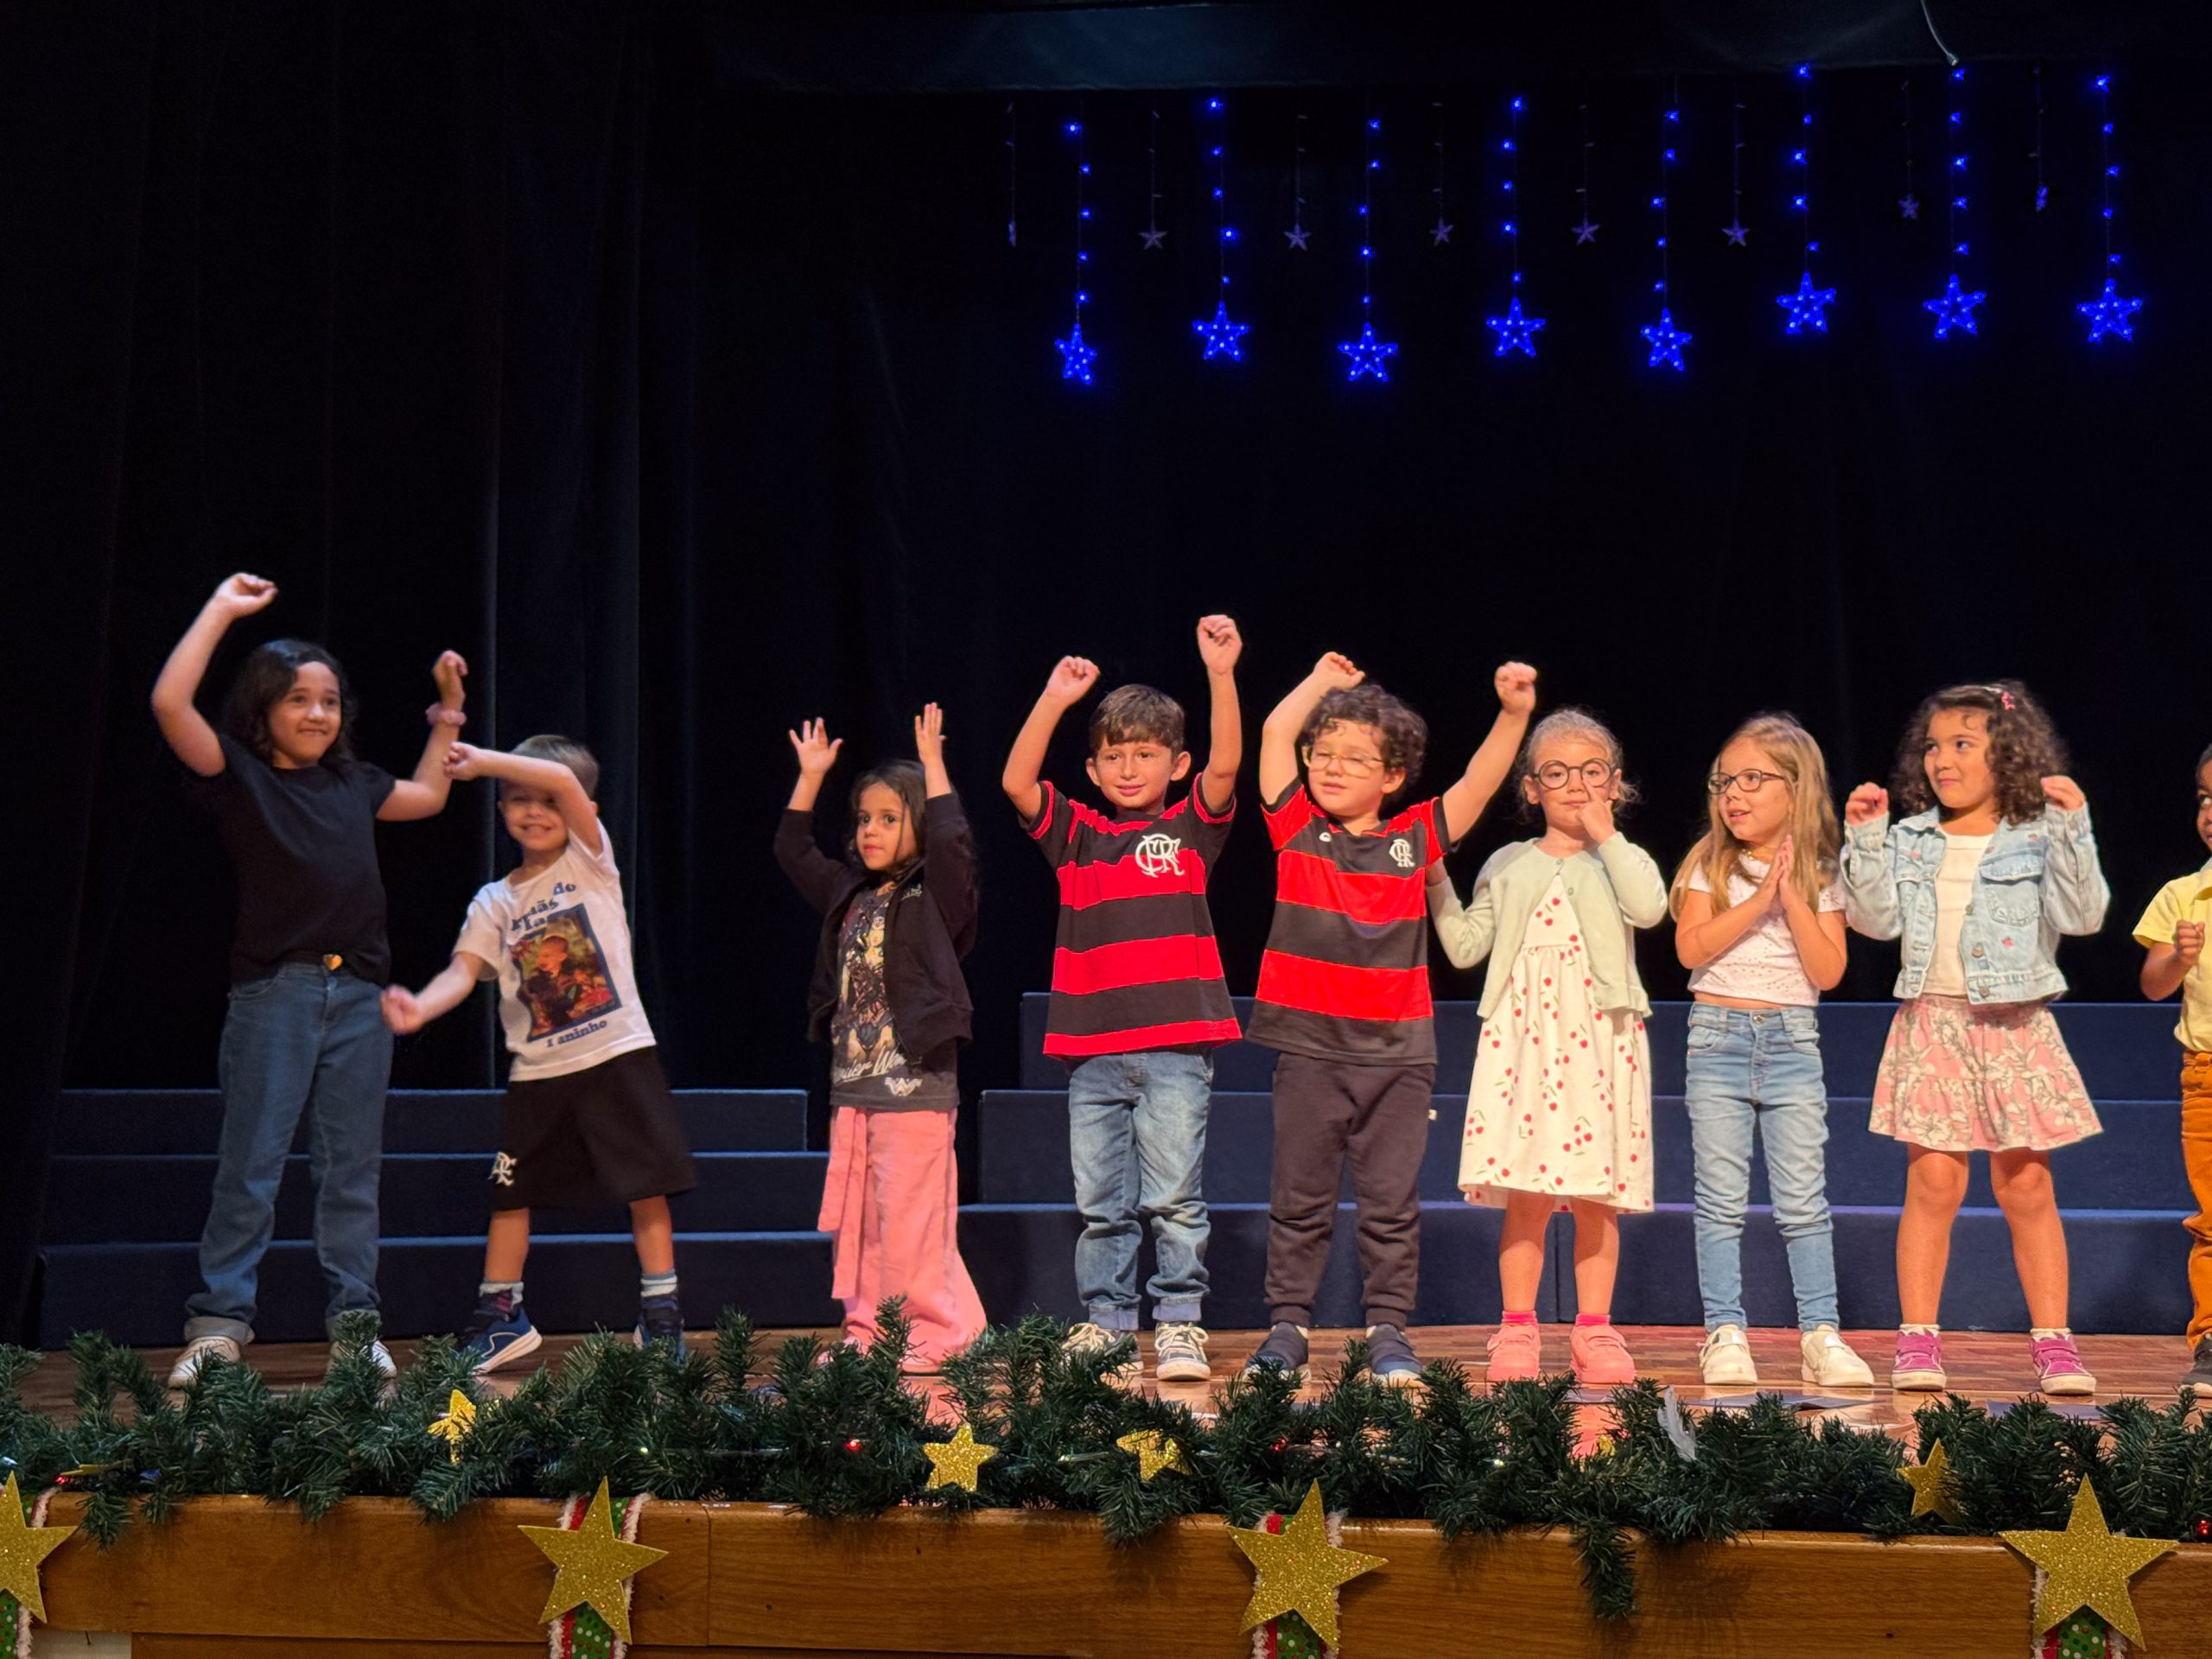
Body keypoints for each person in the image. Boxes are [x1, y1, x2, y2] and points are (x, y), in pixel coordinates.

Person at [151, 571, 467, 1385]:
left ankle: (356, 1328)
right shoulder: (240, 776)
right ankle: (219, 1325)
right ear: (262, 712)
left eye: (329, 701)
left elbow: (430, 795)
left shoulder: (355, 784)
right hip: (277, 995)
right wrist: (220, 609)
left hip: (359, 997)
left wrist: (447, 712)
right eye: (298, 700)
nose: (318, 714)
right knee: (251, 1167)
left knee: (351, 1173)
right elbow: (169, 704)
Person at [1241, 653, 1535, 1387]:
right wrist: (1318, 683)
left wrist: (1514, 715)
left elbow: (1477, 784)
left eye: (1355, 758)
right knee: (1299, 1201)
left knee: (1389, 1207)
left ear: (1393, 776)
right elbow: (1274, 733)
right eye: (1323, 753)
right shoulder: (1296, 828)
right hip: (1309, 1049)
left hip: (1398, 1057)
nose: (1332, 768)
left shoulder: (1413, 840)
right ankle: (1288, 1327)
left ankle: (1388, 1331)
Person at [382, 736, 696, 1370]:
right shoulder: (494, 901)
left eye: (547, 801)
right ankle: (502, 1313)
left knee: (647, 1186)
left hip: (615, 1055)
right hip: (538, 1074)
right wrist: (420, 1006)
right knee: (510, 1193)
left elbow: (564, 781)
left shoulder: (590, 861)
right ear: (501, 810)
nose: (534, 811)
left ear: (580, 808)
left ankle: (660, 1314)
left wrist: (485, 762)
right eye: (518, 800)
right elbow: (463, 971)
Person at [1844, 681, 2107, 1396]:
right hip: (1934, 1020)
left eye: (1962, 744)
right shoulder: (1911, 837)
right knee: (1933, 1182)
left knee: (2026, 1185)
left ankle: (2054, 1342)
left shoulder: (2037, 833)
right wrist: (1865, 839)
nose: (1942, 760)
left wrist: (2073, 828)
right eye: (1933, 746)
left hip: (2013, 1024)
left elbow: (2083, 917)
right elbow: (1875, 922)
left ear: (2007, 753)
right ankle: (1918, 1338)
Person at [1001, 618, 1245, 1385]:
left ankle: (1178, 1324)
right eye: (1114, 756)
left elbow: (1228, 765)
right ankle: (1106, 1324)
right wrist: (1054, 698)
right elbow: (1016, 783)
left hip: (1175, 1050)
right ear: (1094, 768)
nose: (1129, 768)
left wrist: (1221, 673)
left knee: (1174, 1199)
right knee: (1102, 1202)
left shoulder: (1190, 827)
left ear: (1176, 764)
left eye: (1144, 754)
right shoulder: (1078, 835)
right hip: (1094, 1053)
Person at [1430, 709, 1667, 1386]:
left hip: (1599, 1036)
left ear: (1614, 784)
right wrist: (1436, 879)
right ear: (1532, 788)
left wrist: (1608, 836)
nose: (1576, 785)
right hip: (1526, 1038)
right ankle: (1517, 1327)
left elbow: (1649, 909)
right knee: (1527, 1189)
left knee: (1597, 1193)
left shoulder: (1621, 858)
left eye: (1591, 772)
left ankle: (1595, 1329)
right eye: (1557, 773)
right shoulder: (1507, 863)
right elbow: (1466, 946)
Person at [778, 705, 986, 1372]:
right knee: (864, 1222)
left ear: (917, 824)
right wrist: (811, 776)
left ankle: (930, 1332)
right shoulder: (850, 892)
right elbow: (792, 851)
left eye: (888, 819)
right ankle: (867, 1331)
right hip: (855, 1088)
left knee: (911, 1221)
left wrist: (934, 768)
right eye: (864, 819)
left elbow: (952, 844)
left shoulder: (934, 896)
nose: (869, 830)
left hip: (915, 1084)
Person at [1669, 715, 1872, 1388]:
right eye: (1725, 781)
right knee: (1720, 1200)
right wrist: (1758, 903)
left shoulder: (1820, 872)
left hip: (1791, 1042)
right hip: (1718, 1036)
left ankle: (1821, 1333)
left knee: (1803, 1200)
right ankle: (1726, 1330)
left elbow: (1829, 969)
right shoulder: (1710, 864)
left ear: (1796, 787)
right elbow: (1691, 948)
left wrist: (1790, 897)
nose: (1734, 793)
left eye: (1752, 779)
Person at [2133, 741, 2212, 1389]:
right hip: (2207, 1074)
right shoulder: (2184, 894)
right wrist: (2179, 958)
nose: (2210, 811)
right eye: (2205, 798)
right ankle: (2211, 1337)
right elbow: (2154, 984)